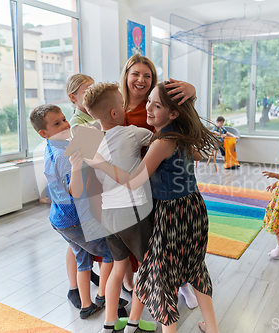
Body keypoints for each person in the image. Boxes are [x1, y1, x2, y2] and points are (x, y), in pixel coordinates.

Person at [85, 82, 221, 333]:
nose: (147, 107)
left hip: (167, 214)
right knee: (194, 267)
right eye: (149, 101)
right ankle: (211, 327)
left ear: (172, 113)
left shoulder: (158, 141)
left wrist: (100, 163)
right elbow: (198, 155)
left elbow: (134, 181)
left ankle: (129, 323)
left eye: (156, 105)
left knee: (161, 278)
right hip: (192, 207)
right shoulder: (176, 135)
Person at [119, 54, 199, 309]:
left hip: (154, 190)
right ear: (125, 75)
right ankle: (130, 292)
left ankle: (172, 288)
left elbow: (185, 118)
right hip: (124, 191)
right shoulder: (114, 107)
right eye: (135, 74)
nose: (141, 80)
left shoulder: (158, 108)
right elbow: (90, 136)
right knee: (124, 251)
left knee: (160, 247)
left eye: (147, 75)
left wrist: (193, 90)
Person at [82, 82, 155, 333]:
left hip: (106, 214)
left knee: (117, 265)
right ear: (115, 113)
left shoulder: (88, 139)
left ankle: (109, 322)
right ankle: (133, 323)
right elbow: (156, 138)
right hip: (132, 212)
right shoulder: (132, 133)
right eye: (122, 105)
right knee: (147, 266)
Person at [29, 104, 113, 319]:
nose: (66, 124)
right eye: (57, 124)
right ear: (43, 133)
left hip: (60, 219)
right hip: (74, 220)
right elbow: (75, 191)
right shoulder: (64, 157)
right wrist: (78, 167)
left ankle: (86, 306)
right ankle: (102, 296)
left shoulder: (52, 147)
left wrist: (87, 141)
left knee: (83, 259)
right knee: (109, 253)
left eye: (64, 119)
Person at [62, 73, 100, 309]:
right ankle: (73, 288)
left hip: (95, 186)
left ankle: (85, 277)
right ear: (73, 97)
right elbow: (89, 153)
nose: (92, 95)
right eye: (87, 91)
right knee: (76, 243)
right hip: (83, 187)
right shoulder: (78, 123)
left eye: (94, 90)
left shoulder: (91, 116)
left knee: (91, 239)